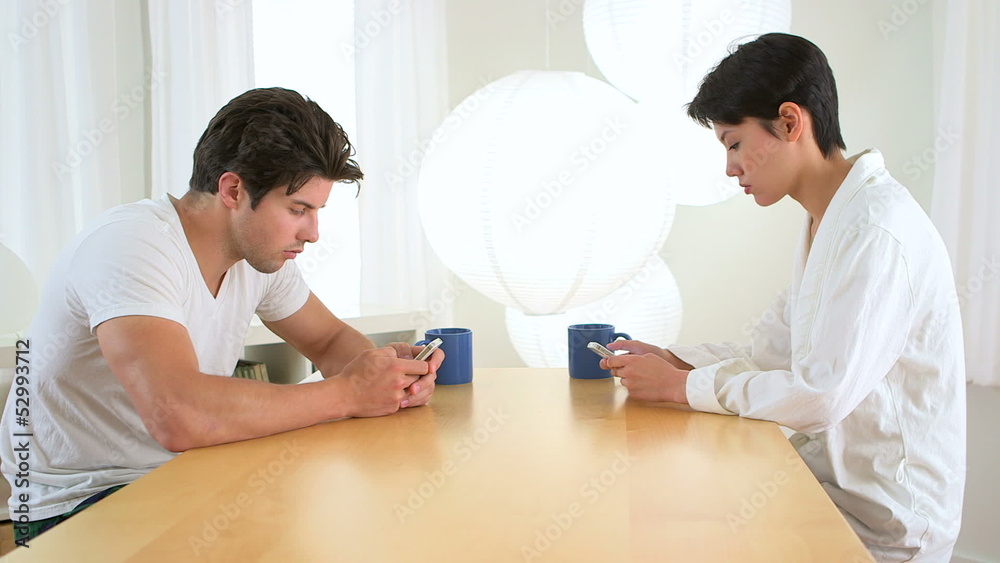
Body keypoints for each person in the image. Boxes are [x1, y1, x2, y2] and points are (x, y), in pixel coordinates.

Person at [0, 87, 443, 543]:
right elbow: (177, 414)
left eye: (316, 211)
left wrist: (389, 379)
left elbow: (329, 342)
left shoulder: (258, 255)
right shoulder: (131, 246)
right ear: (233, 190)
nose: (312, 233)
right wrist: (349, 393)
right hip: (83, 500)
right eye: (298, 210)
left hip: (188, 470)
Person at [602, 33, 965, 562]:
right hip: (828, 491)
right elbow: (772, 353)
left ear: (790, 122)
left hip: (887, 523)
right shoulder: (830, 220)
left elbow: (820, 396)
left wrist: (681, 387)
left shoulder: (875, 229)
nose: (730, 168)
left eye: (733, 143)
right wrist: (676, 360)